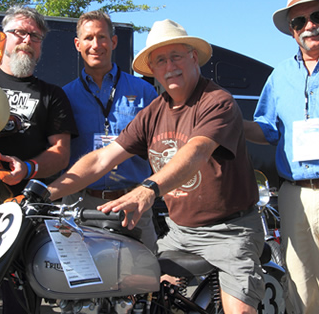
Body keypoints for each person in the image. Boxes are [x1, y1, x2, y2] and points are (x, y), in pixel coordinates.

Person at [48, 19, 265, 313]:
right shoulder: (153, 112)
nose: (170, 66)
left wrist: (148, 188)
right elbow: (102, 158)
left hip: (229, 230)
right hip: (180, 232)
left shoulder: (217, 101)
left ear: (193, 58)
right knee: (143, 300)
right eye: (160, 60)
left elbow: (197, 151)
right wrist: (45, 193)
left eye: (176, 56)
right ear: (153, 69)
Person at [244, 0, 319, 314]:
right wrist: (225, 123)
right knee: (302, 291)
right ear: (292, 30)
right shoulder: (280, 75)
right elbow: (266, 130)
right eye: (299, 21)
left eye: (317, 16)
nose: (309, 25)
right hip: (294, 197)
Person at [0, 6, 78, 311]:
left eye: (35, 36)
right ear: (2, 38)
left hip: (22, 211)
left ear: (41, 47)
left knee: (20, 304)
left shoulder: (52, 95)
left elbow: (60, 152)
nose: (27, 39)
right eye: (19, 32)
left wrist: (28, 168)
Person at [62, 10, 158, 251]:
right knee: (80, 279)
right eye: (88, 38)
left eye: (102, 37)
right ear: (77, 44)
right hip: (80, 203)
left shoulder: (144, 92)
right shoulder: (64, 96)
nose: (96, 45)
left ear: (113, 42)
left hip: (132, 202)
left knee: (144, 278)